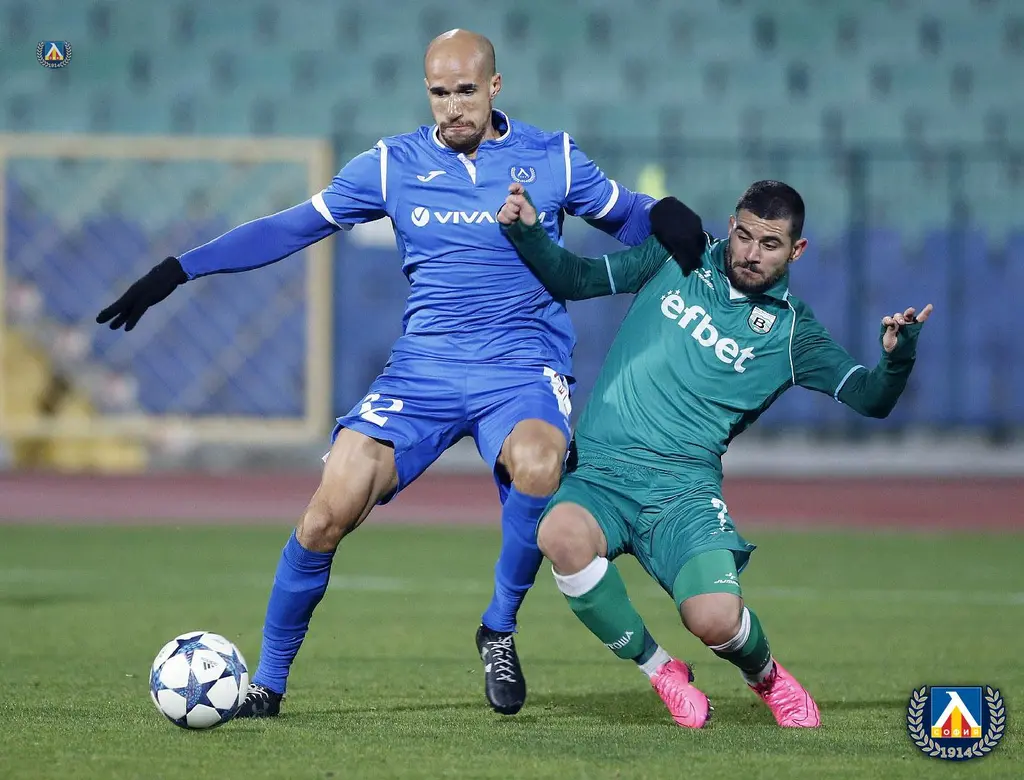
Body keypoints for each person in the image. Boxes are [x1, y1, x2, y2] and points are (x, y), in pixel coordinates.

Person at [95, 29, 664, 718]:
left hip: (520, 367)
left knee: (540, 464)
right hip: (422, 372)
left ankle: (499, 627)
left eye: (465, 91)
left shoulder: (555, 158)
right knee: (324, 516)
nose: (452, 106)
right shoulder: (394, 165)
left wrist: (684, 228)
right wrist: (179, 268)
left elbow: (636, 218)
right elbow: (291, 227)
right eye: (439, 93)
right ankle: (267, 686)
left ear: (494, 87)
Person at [497, 180, 933, 728]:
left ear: (797, 250)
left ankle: (766, 676)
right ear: (731, 225)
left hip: (682, 492)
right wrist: (527, 231)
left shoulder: (792, 333)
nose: (751, 253)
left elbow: (871, 398)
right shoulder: (677, 255)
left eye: (769, 244)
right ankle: (661, 670)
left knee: (715, 618)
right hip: (600, 474)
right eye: (744, 236)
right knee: (559, 534)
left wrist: (897, 357)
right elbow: (575, 278)